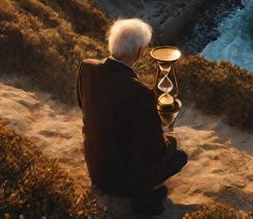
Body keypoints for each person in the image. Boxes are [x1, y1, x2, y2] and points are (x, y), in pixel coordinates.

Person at [77, 18, 188, 215]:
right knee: (178, 155)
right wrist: (169, 140)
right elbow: (153, 148)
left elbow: (82, 104)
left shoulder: (87, 67)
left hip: (95, 167)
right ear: (139, 52)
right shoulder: (139, 92)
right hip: (121, 182)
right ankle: (143, 196)